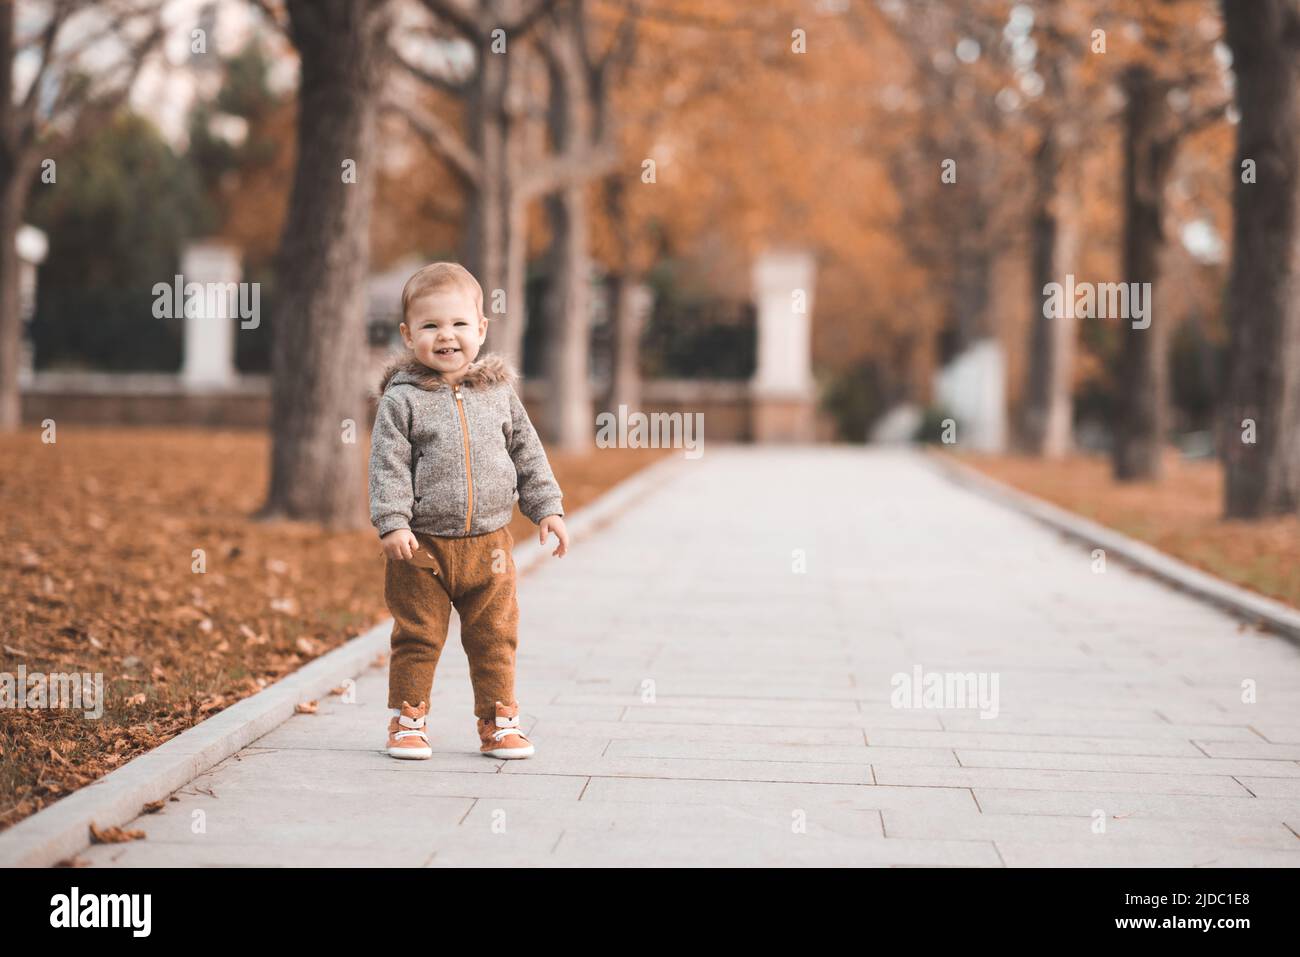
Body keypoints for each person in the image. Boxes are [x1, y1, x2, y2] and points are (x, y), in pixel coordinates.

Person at [368, 262, 569, 760]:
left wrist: (547, 508)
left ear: (481, 329)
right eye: (431, 325)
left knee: (495, 636)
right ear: (408, 334)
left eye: (459, 324)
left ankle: (499, 720)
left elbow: (527, 451)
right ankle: (408, 720)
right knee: (417, 635)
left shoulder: (498, 393)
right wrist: (392, 521)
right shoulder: (402, 400)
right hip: (421, 548)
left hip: (491, 547)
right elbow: (387, 464)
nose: (446, 336)